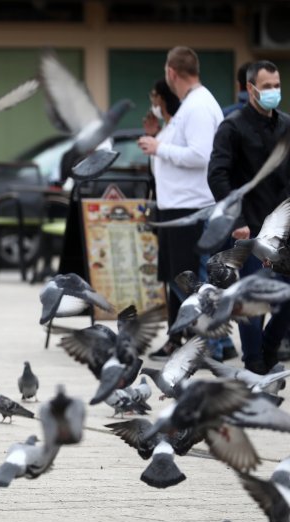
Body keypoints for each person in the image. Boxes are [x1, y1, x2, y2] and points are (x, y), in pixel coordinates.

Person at [138, 46, 223, 360]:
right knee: (180, 279)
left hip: (190, 208)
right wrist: (159, 145)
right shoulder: (190, 106)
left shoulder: (199, 106)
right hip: (178, 206)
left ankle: (210, 344)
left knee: (189, 283)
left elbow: (201, 155)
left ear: (171, 72)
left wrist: (160, 148)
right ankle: (204, 342)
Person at [208, 60, 290, 374]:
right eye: (267, 86)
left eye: (277, 85)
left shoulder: (286, 125)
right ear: (250, 88)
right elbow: (217, 176)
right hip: (251, 228)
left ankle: (269, 350)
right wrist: (237, 219)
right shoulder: (232, 127)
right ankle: (254, 362)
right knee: (254, 298)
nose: (274, 92)